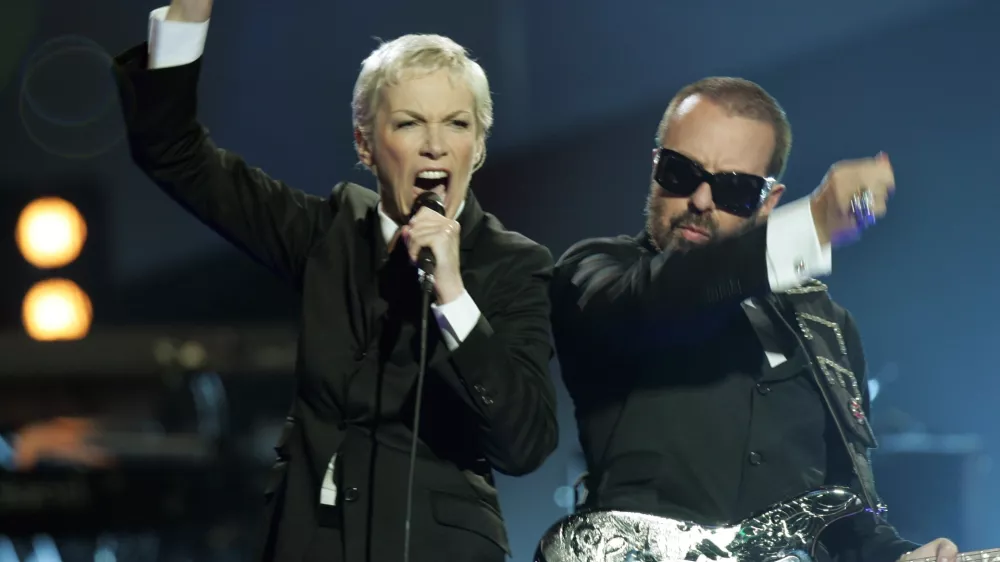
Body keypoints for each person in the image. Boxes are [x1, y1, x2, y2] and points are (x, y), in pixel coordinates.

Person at [110, 2, 559, 561]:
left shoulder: (515, 265)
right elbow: (173, 153)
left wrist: (453, 294)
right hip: (307, 542)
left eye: (457, 123)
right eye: (409, 122)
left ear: (480, 144)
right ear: (365, 145)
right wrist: (190, 9)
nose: (435, 144)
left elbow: (524, 444)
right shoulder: (329, 235)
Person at [549, 77, 958, 562]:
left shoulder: (828, 328)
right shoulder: (598, 274)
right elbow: (672, 295)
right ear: (655, 166)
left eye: (734, 190)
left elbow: (846, 522)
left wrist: (904, 556)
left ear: (768, 202)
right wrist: (814, 223)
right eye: (681, 173)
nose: (700, 201)